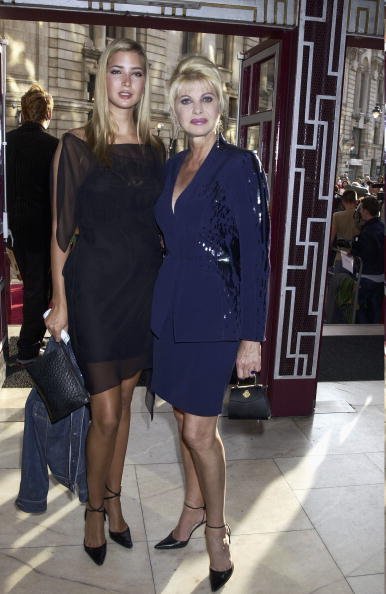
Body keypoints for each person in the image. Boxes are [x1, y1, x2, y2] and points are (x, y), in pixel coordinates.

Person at [150, 56, 269, 592]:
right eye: (185, 100)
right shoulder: (171, 166)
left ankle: (216, 532)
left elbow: (256, 254)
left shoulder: (239, 164)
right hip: (172, 308)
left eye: (206, 99)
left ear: (222, 105)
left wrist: (252, 334)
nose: (196, 110)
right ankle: (191, 509)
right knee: (182, 421)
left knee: (201, 430)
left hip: (217, 314)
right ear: (174, 110)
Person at [45, 38, 165, 566]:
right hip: (93, 289)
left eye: (136, 73)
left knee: (124, 411)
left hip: (143, 289)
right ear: (103, 79)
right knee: (107, 412)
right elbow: (59, 231)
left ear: (144, 82)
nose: (126, 82)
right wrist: (59, 300)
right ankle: (94, 508)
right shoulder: (76, 144)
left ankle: (114, 502)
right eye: (117, 72)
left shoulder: (158, 147)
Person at [6, 84, 59, 363]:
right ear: (47, 112)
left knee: (31, 285)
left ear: (24, 112)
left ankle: (30, 341)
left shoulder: (7, 141)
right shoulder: (52, 146)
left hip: (13, 228)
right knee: (38, 288)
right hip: (41, 229)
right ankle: (27, 348)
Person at [351, 196, 384, 323]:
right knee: (375, 311)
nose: (359, 211)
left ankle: (363, 341)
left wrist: (354, 249)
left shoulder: (367, 232)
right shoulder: (381, 227)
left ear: (365, 211)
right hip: (380, 277)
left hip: (366, 277)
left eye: (361, 209)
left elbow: (365, 255)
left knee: (361, 312)